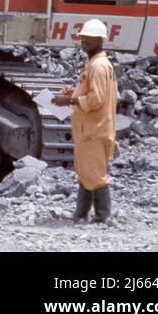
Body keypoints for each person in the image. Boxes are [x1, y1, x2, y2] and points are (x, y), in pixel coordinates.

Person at [52, 19, 118, 223]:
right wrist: (73, 93)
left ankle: (102, 216)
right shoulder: (99, 64)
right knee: (85, 171)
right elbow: (97, 93)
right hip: (93, 127)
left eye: (90, 38)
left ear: (101, 40)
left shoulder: (97, 67)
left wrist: (68, 101)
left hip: (93, 129)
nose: (85, 41)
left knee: (94, 173)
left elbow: (96, 99)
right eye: (83, 37)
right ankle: (81, 214)